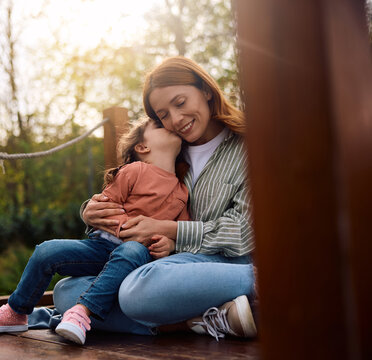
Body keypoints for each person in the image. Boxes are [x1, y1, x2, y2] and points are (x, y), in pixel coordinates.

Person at [50, 56, 257, 341]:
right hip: (166, 265)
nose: (175, 120)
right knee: (66, 292)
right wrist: (90, 212)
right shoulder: (168, 152)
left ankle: (263, 282)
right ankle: (202, 321)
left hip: (225, 262)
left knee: (137, 291)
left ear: (207, 91)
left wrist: (164, 229)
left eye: (180, 102)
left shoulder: (250, 146)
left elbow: (243, 234)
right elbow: (128, 192)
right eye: (163, 114)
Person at [0, 116, 190, 345]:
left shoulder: (182, 191)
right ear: (142, 147)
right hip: (101, 245)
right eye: (159, 125)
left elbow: (179, 231)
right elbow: (105, 207)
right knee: (47, 250)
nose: (169, 125)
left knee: (132, 250)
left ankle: (82, 313)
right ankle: (16, 311)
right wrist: (126, 226)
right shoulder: (134, 171)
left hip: (137, 256)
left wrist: (170, 245)